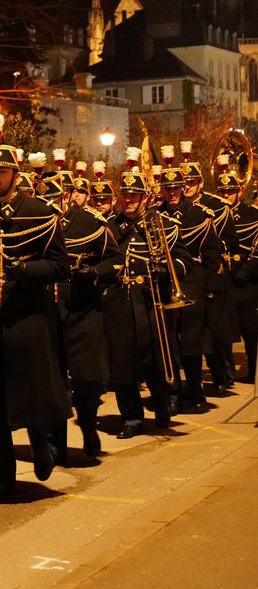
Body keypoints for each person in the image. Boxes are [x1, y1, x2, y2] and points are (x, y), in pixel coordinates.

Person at [0, 136, 71, 503]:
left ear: (15, 174)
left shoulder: (39, 212)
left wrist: (25, 270)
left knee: (30, 391)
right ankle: (3, 479)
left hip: (26, 315)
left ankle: (41, 445)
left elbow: (60, 266)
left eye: (1, 171)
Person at [36, 172, 118, 460]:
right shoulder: (34, 224)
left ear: (68, 195)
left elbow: (115, 260)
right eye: (45, 198)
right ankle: (56, 441)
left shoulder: (91, 222)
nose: (51, 204)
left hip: (84, 308)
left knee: (88, 377)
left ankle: (87, 424)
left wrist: (94, 272)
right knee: (53, 379)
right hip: (48, 311)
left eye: (55, 198)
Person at [104, 169, 190, 436]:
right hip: (119, 301)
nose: (128, 200)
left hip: (150, 300)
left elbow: (185, 259)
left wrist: (168, 270)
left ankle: (162, 404)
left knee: (154, 359)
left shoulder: (163, 225)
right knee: (122, 362)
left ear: (145, 198)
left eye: (134, 196)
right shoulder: (109, 226)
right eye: (125, 195)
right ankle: (131, 417)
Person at [155, 151, 221, 412]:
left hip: (192, 280)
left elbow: (212, 254)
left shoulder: (200, 215)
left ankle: (195, 390)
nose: (171, 193)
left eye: (175, 188)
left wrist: (211, 289)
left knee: (191, 342)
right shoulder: (154, 214)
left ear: (183, 188)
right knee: (167, 341)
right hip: (163, 282)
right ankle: (172, 392)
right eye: (167, 188)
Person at [182, 146, 239, 391]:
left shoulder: (216, 206)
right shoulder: (180, 209)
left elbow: (229, 240)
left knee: (215, 328)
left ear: (201, 182)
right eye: (185, 184)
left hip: (211, 270)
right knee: (197, 331)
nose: (188, 188)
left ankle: (223, 374)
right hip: (190, 273)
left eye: (192, 183)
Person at [219, 171, 258, 382]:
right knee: (224, 328)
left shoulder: (253, 214)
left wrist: (247, 271)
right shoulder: (216, 214)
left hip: (246, 280)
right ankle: (227, 373)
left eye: (230, 191)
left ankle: (253, 371)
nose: (226, 195)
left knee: (250, 329)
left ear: (239, 191)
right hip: (224, 277)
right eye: (223, 191)